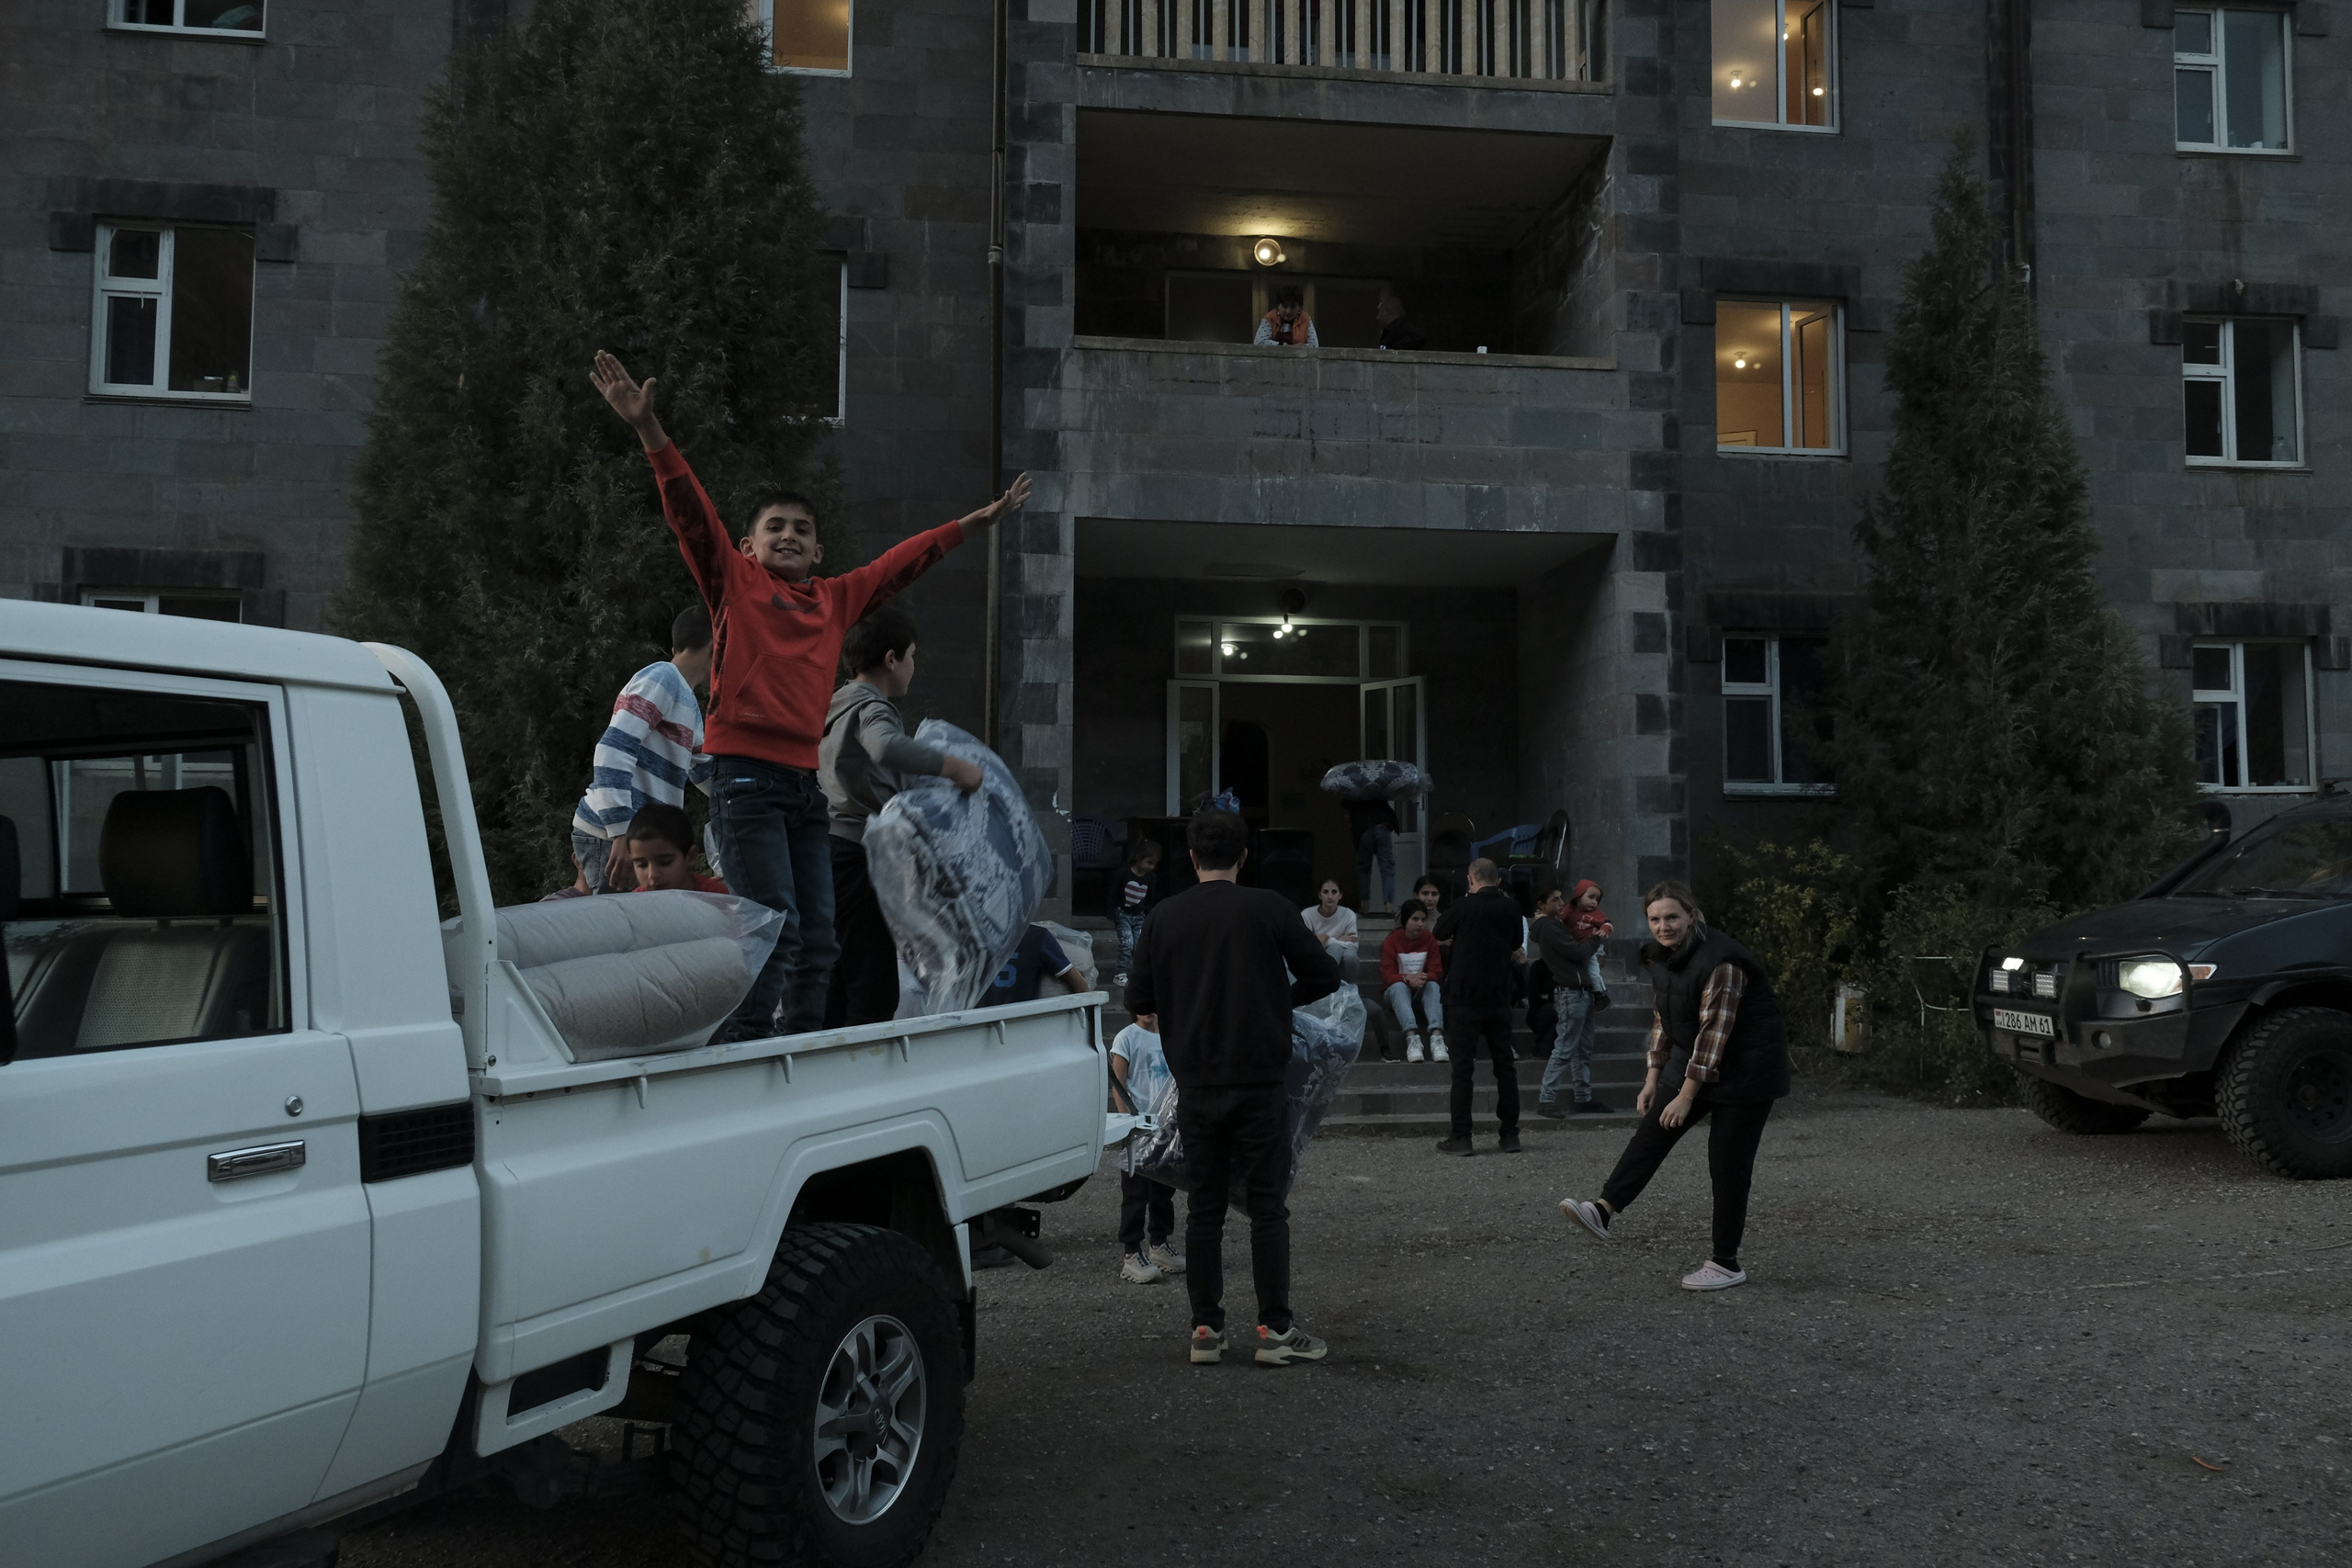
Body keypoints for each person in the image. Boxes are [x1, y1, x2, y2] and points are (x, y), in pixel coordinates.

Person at [593, 349, 1030, 1043]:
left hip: (804, 791)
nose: (790, 536)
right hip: (746, 781)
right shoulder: (733, 582)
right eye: (776, 527)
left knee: (819, 940)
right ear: (748, 544)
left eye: (802, 529)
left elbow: (902, 561)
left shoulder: (834, 598)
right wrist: (651, 433)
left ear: (819, 551)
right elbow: (689, 513)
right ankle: (734, 1060)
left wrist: (975, 524)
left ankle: (798, 1058)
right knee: (776, 932)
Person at [1125, 805, 1340, 1368]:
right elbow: (1324, 975)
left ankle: (1205, 1330)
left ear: (1191, 857)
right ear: (1245, 856)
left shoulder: (1164, 916)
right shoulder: (1269, 908)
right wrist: (1275, 1002)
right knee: (1268, 1208)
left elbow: (1139, 1000)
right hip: (1261, 1078)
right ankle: (1274, 1330)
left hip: (1195, 1080)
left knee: (1204, 1209)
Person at [1559, 881, 1792, 1292]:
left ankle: (1725, 1264)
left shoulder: (1723, 961)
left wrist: (1685, 1096)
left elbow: (1714, 1034)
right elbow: (1663, 1020)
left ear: (1691, 916)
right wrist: (1652, 1079)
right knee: (1652, 1132)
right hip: (1695, 1060)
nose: (1663, 926)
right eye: (1655, 919)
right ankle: (1603, 1209)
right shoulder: (1665, 958)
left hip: (1747, 1071)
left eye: (1672, 917)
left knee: (1727, 1165)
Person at [820, 605, 986, 1028]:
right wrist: (955, 767)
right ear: (891, 659)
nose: (914, 666)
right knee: (872, 984)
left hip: (827, 848)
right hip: (858, 854)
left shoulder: (833, 702)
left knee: (837, 975)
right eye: (911, 655)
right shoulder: (872, 705)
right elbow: (884, 746)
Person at [570, 604, 715, 896]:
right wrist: (623, 833)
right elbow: (612, 749)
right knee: (621, 936)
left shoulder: (688, 703)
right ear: (717, 647)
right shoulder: (664, 677)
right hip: (617, 836)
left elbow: (707, 773)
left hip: (636, 839)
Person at [1432, 858, 1525, 1156]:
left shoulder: (1463, 905)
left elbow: (1439, 931)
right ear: (1497, 880)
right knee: (1505, 1069)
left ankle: (1462, 1137)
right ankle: (1510, 1134)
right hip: (1498, 995)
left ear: (1471, 879)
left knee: (1462, 1069)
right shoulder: (1511, 907)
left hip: (1464, 996)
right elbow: (1516, 941)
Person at [1109, 1015, 1184, 1285]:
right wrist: (1127, 1121)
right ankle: (1131, 1252)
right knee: (1135, 1193)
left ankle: (1159, 1244)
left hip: (1166, 1125)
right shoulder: (1126, 1038)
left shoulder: (1171, 1033)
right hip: (1138, 1127)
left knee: (1164, 1190)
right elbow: (1118, 1083)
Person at [1532, 881, 1614, 1116]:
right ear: (1541, 905)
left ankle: (1583, 1097)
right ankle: (1546, 1099)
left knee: (1582, 1049)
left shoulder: (1556, 925)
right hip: (1570, 992)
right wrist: (1597, 939)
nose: (1561, 904)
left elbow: (1578, 952)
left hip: (1580, 991)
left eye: (1561, 898)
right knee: (1566, 1048)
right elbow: (1578, 952)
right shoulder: (1549, 927)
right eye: (1555, 900)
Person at [1379, 902, 1446, 1063]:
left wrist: (1421, 978)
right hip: (1397, 993)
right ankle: (1412, 1038)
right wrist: (1407, 978)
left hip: (1421, 990)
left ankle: (1437, 1038)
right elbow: (1387, 974)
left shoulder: (1429, 939)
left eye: (1423, 919)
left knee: (1433, 986)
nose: (1420, 924)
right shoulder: (1392, 940)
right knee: (1398, 986)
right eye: (1415, 919)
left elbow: (1436, 970)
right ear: (1405, 921)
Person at [625, 803, 729, 892]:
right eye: (642, 865)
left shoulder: (716, 898)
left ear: (690, 856)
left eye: (665, 862)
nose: (652, 875)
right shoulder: (635, 904)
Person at [1106, 839, 1162, 987]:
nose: (1152, 867)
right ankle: (1120, 973)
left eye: (1154, 864)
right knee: (1127, 943)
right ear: (1139, 858)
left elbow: (1150, 896)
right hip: (1123, 913)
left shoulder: (1151, 878)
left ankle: (1139, 973)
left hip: (1139, 915)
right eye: (1149, 862)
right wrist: (1111, 911)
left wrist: (1149, 913)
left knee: (1140, 945)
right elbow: (1113, 892)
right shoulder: (1123, 874)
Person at [982, 924, 1075, 1006]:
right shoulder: (1038, 935)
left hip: (980, 1017)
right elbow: (1080, 986)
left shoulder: (975, 934)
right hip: (1022, 1017)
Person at [1344, 796, 1398, 915]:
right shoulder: (1379, 787)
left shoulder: (1355, 790)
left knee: (1364, 869)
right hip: (1382, 826)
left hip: (1363, 829)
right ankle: (1389, 905)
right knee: (1387, 869)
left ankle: (1364, 906)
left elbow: (1347, 811)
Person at [1300, 879, 1359, 975]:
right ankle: (1327, 984)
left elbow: (1354, 945)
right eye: (1325, 892)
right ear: (1320, 895)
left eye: (1334, 892)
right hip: (1316, 955)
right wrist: (1339, 940)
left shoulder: (1348, 914)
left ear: (1340, 895)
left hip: (1341, 952)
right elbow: (1307, 945)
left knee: (1350, 956)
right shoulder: (1307, 914)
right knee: (1336, 948)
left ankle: (1350, 987)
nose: (1330, 896)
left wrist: (1326, 940)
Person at [1253, 285, 1317, 347]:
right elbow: (1259, 342)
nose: (1288, 311)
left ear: (1299, 308)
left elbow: (1314, 345)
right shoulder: (1270, 318)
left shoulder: (1305, 319)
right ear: (1278, 306)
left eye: (1293, 307)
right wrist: (1286, 347)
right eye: (1285, 306)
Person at [1375, 287, 1429, 352]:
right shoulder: (1389, 331)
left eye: (1379, 313)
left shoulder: (1406, 328)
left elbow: (1419, 338)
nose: (1377, 318)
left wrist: (1396, 351)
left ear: (1387, 311)